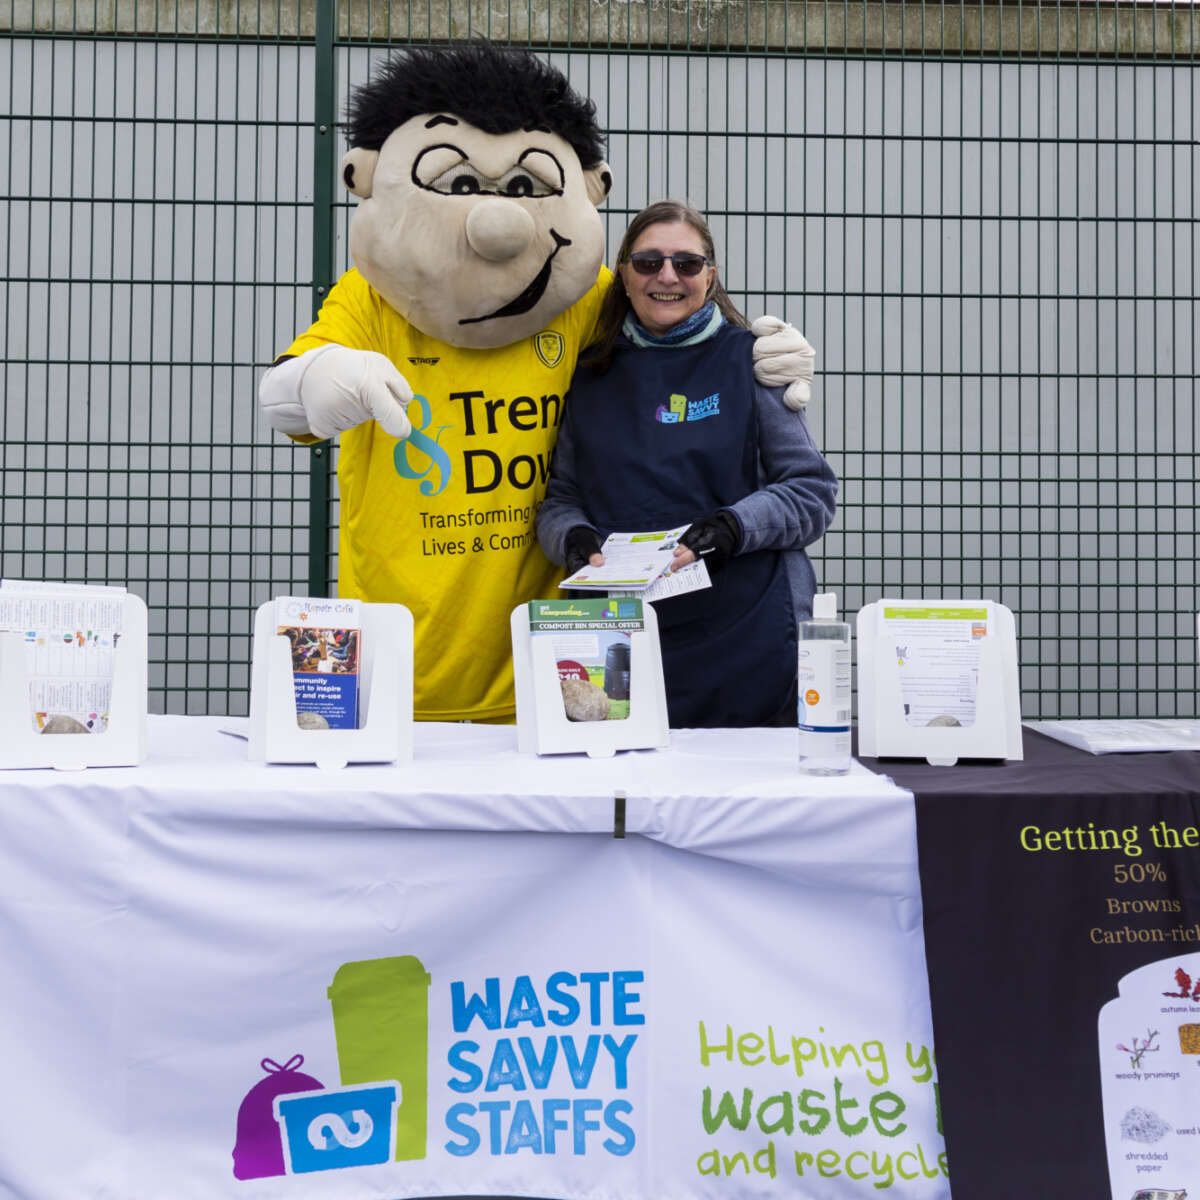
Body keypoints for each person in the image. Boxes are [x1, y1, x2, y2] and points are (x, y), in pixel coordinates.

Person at [258, 42, 819, 723]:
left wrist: (761, 347)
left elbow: (673, 317)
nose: (497, 222)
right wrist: (316, 378)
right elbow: (286, 400)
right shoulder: (370, 300)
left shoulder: (585, 300)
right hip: (404, 660)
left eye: (525, 186)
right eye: (459, 182)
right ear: (364, 177)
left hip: (551, 662)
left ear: (591, 187)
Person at [536, 201, 838, 728]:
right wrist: (573, 538)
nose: (668, 276)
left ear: (710, 276)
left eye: (687, 263)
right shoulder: (591, 373)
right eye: (648, 262)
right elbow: (561, 497)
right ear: (623, 274)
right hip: (622, 642)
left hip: (748, 639)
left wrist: (732, 527)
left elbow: (810, 491)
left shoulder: (753, 362)